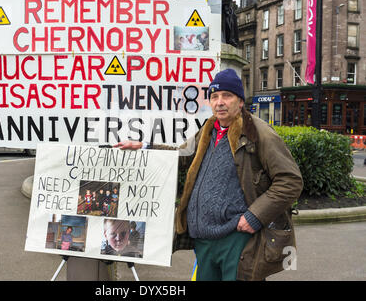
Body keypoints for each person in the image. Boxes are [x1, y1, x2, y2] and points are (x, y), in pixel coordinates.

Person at [114, 68, 303, 281]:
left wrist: (254, 216)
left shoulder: (258, 132)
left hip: (237, 240)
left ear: (240, 101)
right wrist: (145, 147)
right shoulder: (208, 129)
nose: (219, 102)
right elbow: (183, 155)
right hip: (204, 240)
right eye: (214, 96)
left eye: (227, 96)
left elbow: (291, 181)